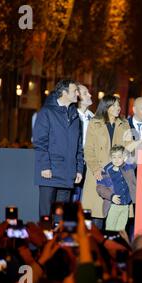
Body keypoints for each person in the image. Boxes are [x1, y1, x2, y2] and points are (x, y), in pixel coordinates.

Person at [82, 95, 136, 231]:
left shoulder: (124, 124)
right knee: (97, 215)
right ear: (106, 107)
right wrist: (95, 168)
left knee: (117, 218)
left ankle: (114, 248)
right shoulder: (95, 123)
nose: (118, 108)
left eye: (119, 105)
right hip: (99, 173)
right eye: (115, 105)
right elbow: (89, 149)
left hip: (119, 174)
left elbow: (129, 148)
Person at [32, 79, 83, 217]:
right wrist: (44, 166)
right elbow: (39, 141)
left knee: (61, 217)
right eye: (74, 91)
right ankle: (46, 239)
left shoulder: (75, 115)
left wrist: (79, 169)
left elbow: (78, 145)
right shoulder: (46, 112)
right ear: (64, 93)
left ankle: (59, 239)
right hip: (49, 172)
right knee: (46, 216)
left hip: (67, 173)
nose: (78, 94)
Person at [96, 145, 136, 232]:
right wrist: (111, 196)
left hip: (125, 205)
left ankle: (119, 245)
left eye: (119, 157)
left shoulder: (128, 168)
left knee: (121, 231)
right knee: (110, 229)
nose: (116, 159)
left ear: (124, 158)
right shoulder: (106, 171)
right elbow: (100, 188)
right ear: (110, 158)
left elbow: (136, 157)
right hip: (113, 206)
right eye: (114, 157)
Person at [72, 84, 94, 202]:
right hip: (75, 164)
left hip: (89, 166)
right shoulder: (72, 116)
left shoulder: (93, 117)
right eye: (85, 93)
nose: (90, 95)